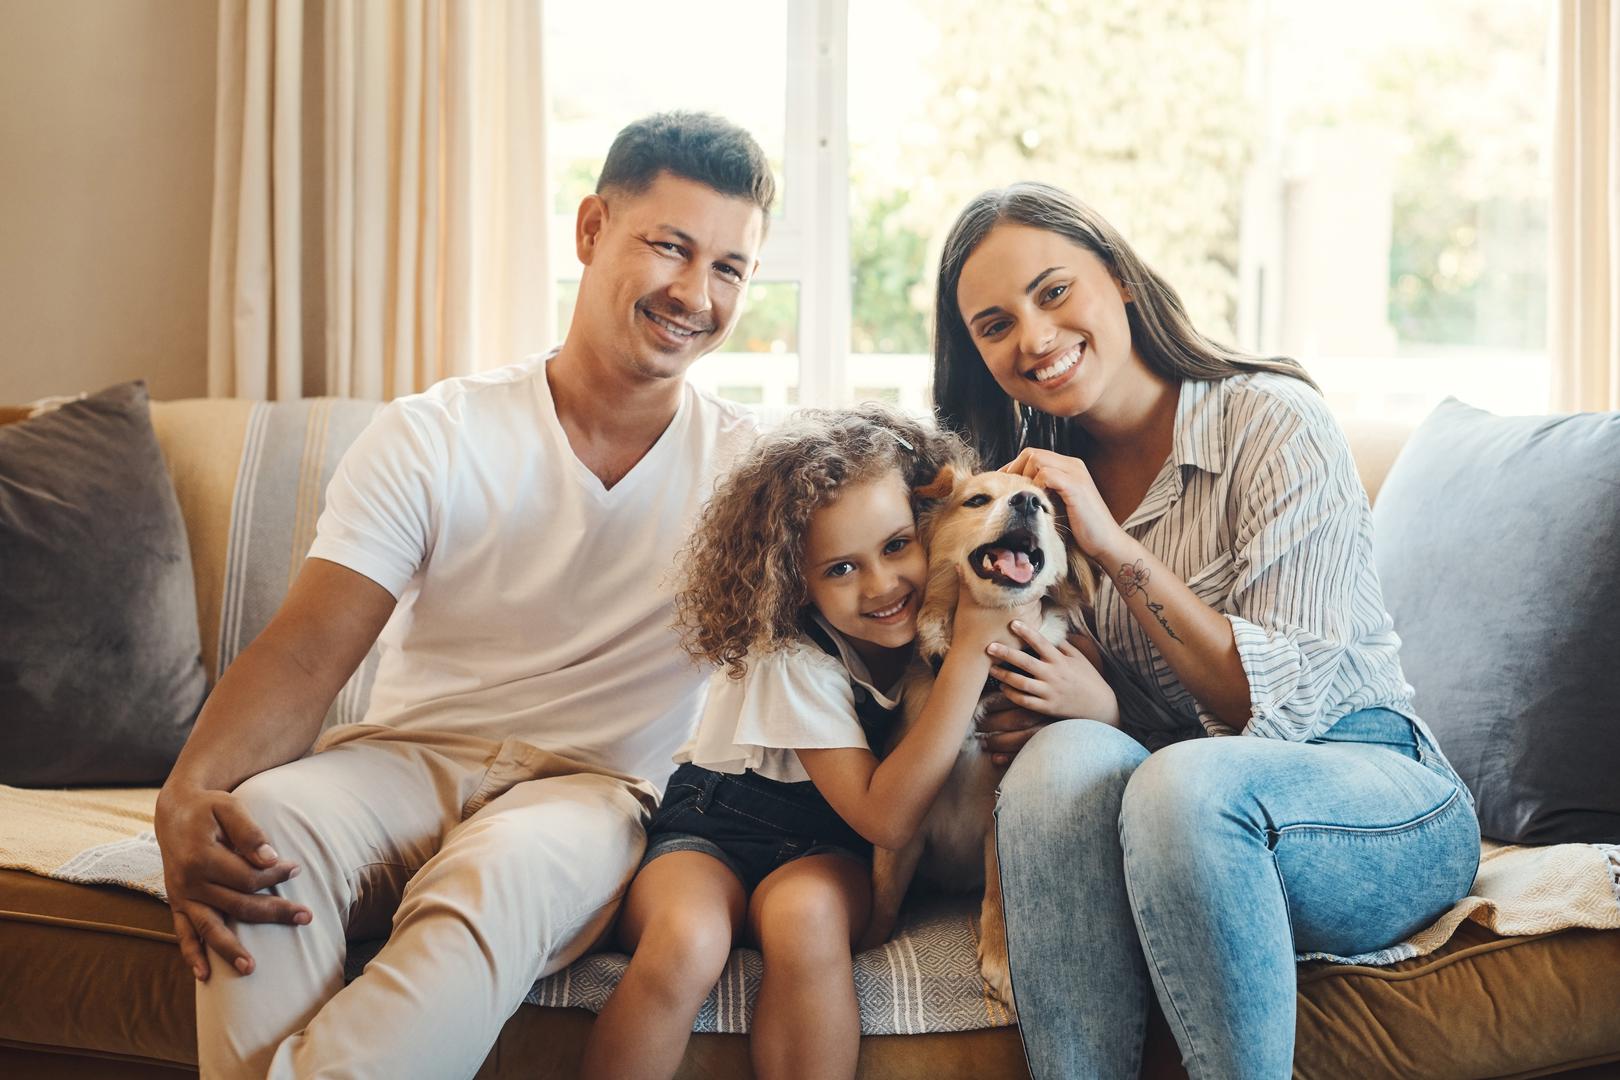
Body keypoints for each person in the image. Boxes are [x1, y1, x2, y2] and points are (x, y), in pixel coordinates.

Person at [152, 111, 774, 1079]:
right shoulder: (437, 433)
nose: (696, 293)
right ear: (590, 231)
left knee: (500, 872)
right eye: (671, 247)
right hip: (406, 757)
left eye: (731, 268)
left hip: (591, 790)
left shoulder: (751, 474)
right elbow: (312, 650)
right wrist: (189, 791)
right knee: (259, 826)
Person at [930, 181, 1482, 1079]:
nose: (1032, 337)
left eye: (1053, 291)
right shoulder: (1028, 495)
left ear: (1120, 280)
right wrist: (1090, 708)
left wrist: (1110, 545)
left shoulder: (1271, 419)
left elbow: (1276, 706)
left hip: (1367, 793)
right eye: (994, 325)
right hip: (1177, 809)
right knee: (1064, 765)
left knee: (1182, 787)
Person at [580, 405, 1112, 1080]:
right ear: (795, 582)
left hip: (824, 850)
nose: (882, 586)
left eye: (895, 547)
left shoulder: (924, 641)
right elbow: (885, 817)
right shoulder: (792, 660)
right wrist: (974, 649)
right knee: (687, 940)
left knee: (807, 921)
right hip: (716, 830)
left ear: (929, 526)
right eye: (840, 569)